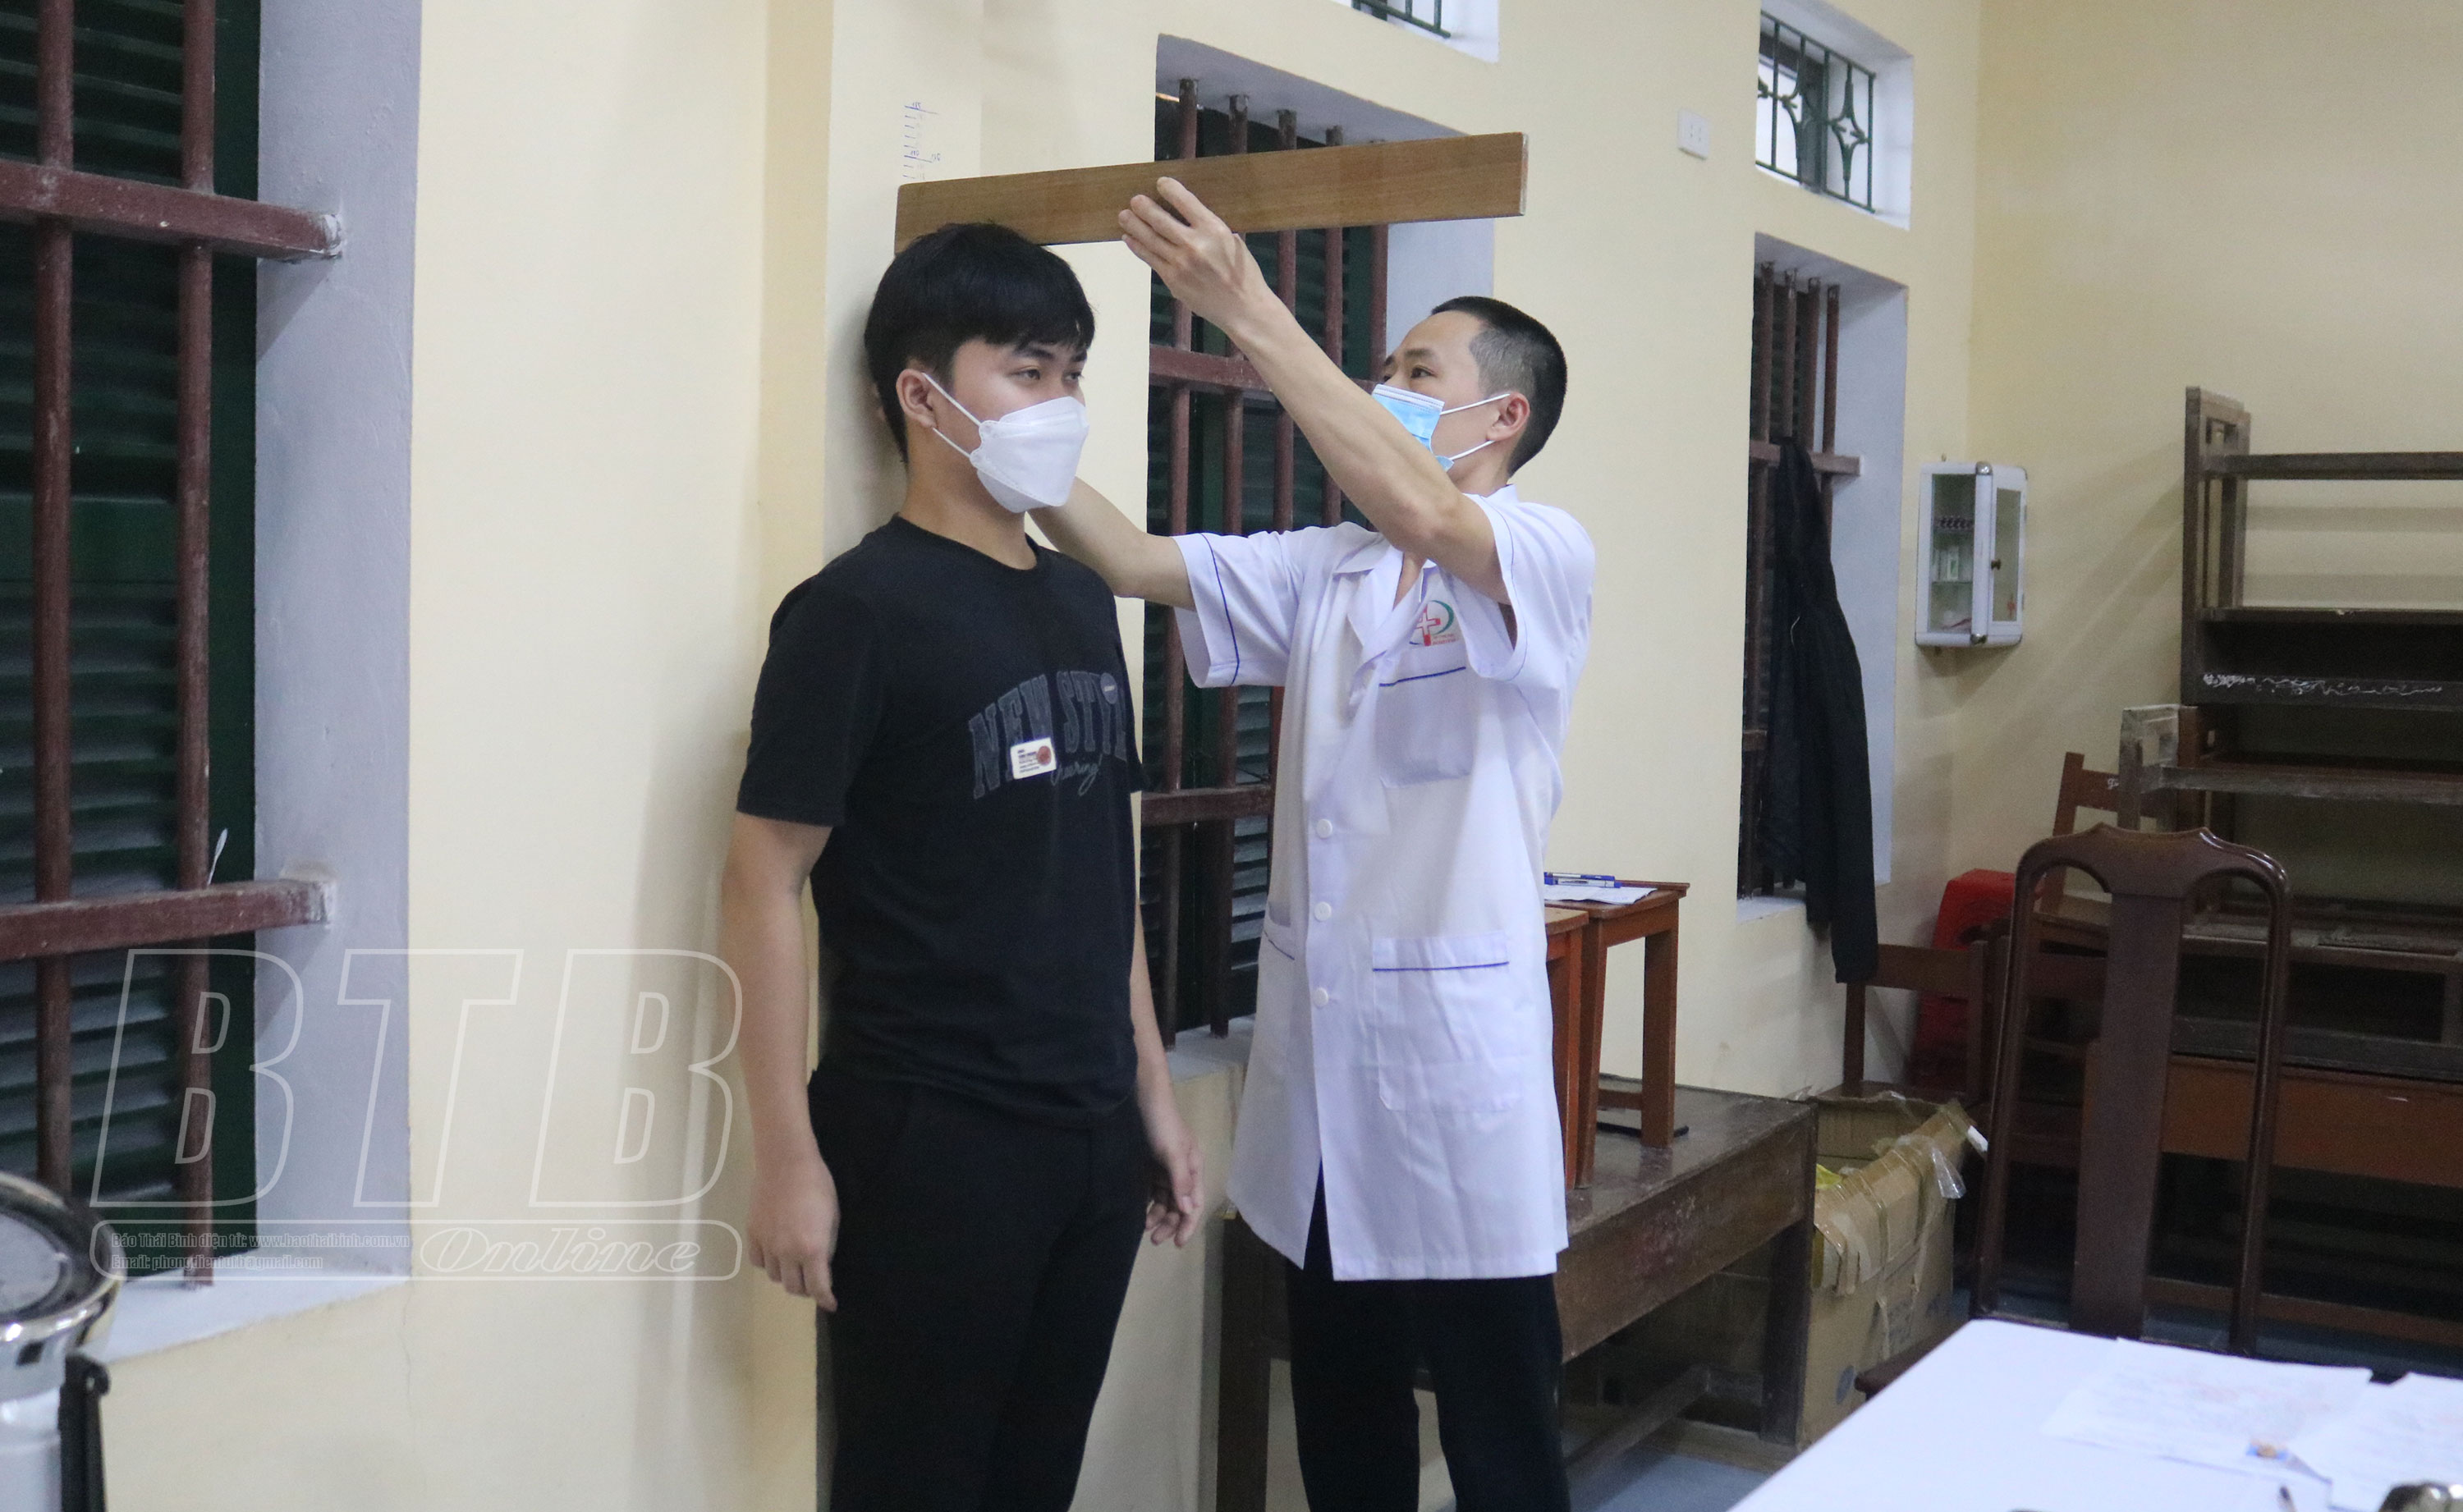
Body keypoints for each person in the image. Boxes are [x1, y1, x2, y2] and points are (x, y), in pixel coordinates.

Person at [1034, 180, 1592, 1512]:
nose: (1385, 384)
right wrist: (1007, 442)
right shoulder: (1327, 565)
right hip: (1328, 1072)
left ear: (1503, 417)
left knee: (1502, 1433)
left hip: (1454, 1081)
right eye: (1384, 365)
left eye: (1417, 370)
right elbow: (1133, 561)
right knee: (1345, 1419)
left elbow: (1431, 516)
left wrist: (1245, 308)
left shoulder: (1539, 549)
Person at [719, 220, 1204, 1512]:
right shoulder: (853, 613)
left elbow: (1101, 863)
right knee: (914, 1482)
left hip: (1089, 1128)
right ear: (922, 396)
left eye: (1072, 374)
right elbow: (761, 880)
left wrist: (1150, 1089)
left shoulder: (1082, 597)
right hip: (931, 1136)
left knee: (1036, 1478)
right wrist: (787, 1154)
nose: (1061, 405)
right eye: (1027, 371)